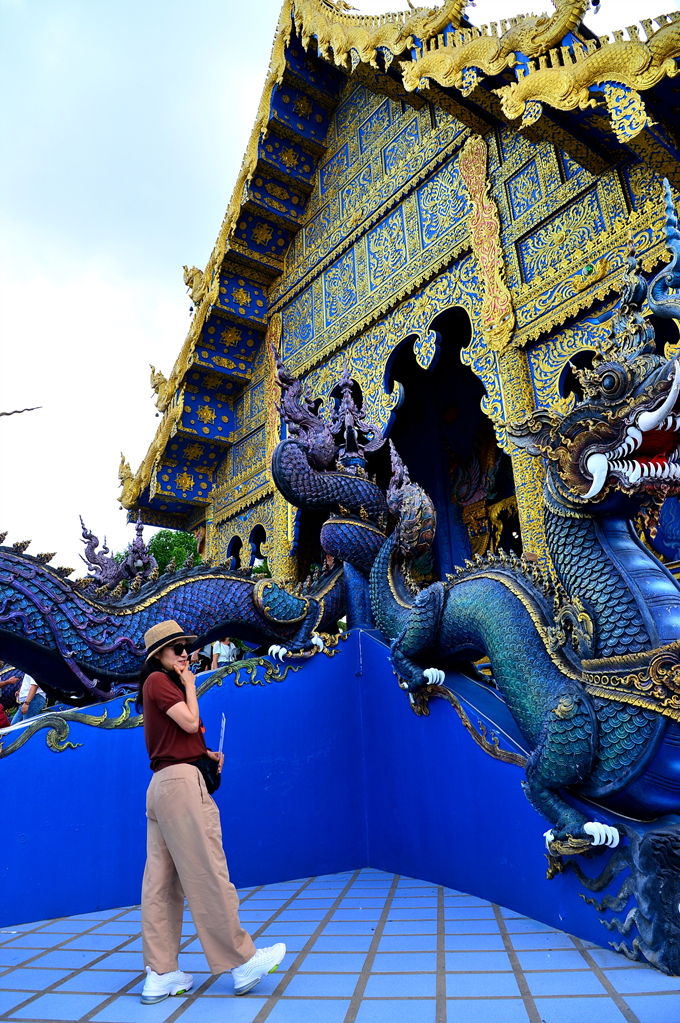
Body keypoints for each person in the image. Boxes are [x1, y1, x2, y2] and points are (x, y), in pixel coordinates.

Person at [136, 619, 285, 1004]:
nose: (185, 653)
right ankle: (242, 961)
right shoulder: (160, 681)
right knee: (207, 872)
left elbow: (177, 737)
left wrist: (203, 754)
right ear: (158, 655)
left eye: (187, 646)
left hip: (163, 785)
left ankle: (161, 973)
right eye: (177, 648)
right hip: (180, 788)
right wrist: (190, 684)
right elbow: (188, 722)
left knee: (161, 884)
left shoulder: (158, 685)